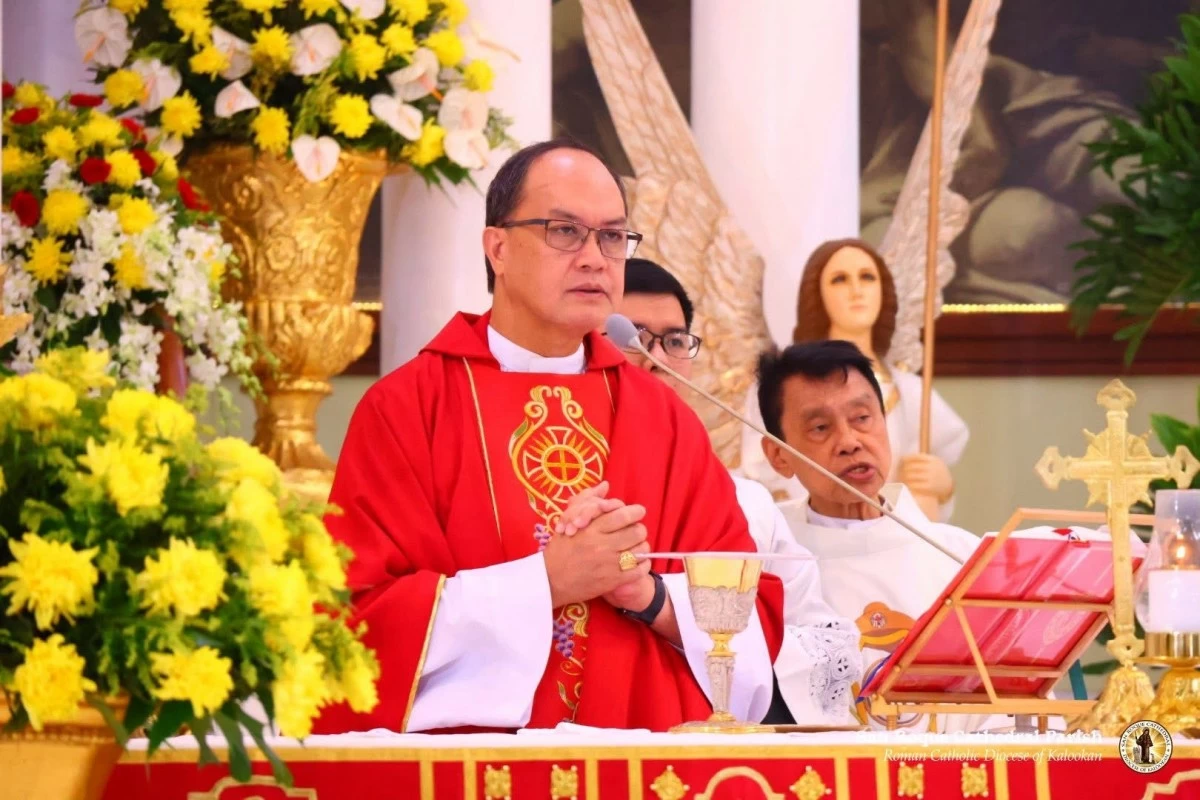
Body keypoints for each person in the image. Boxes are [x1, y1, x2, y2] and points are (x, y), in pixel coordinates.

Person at [315, 139, 784, 734]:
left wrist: (650, 596)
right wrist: (544, 581)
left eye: (613, 237)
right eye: (565, 231)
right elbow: (358, 624)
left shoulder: (664, 419)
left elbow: (749, 606)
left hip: (640, 765)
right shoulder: (409, 407)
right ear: (499, 247)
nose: (595, 258)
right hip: (476, 773)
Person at [617, 258, 861, 725]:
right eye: (631, 339)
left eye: (672, 341)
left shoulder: (747, 505)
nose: (655, 359)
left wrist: (664, 607)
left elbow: (817, 639)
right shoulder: (558, 480)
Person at [756, 340, 996, 732]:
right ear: (778, 456)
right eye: (820, 427)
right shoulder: (766, 569)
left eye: (863, 418)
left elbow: (1013, 713)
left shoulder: (964, 560)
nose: (850, 441)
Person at [739, 239, 968, 522]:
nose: (856, 290)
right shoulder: (785, 390)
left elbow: (928, 502)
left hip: (894, 537)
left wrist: (941, 487)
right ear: (817, 294)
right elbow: (764, 482)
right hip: (815, 536)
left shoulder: (910, 391)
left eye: (867, 277)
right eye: (839, 280)